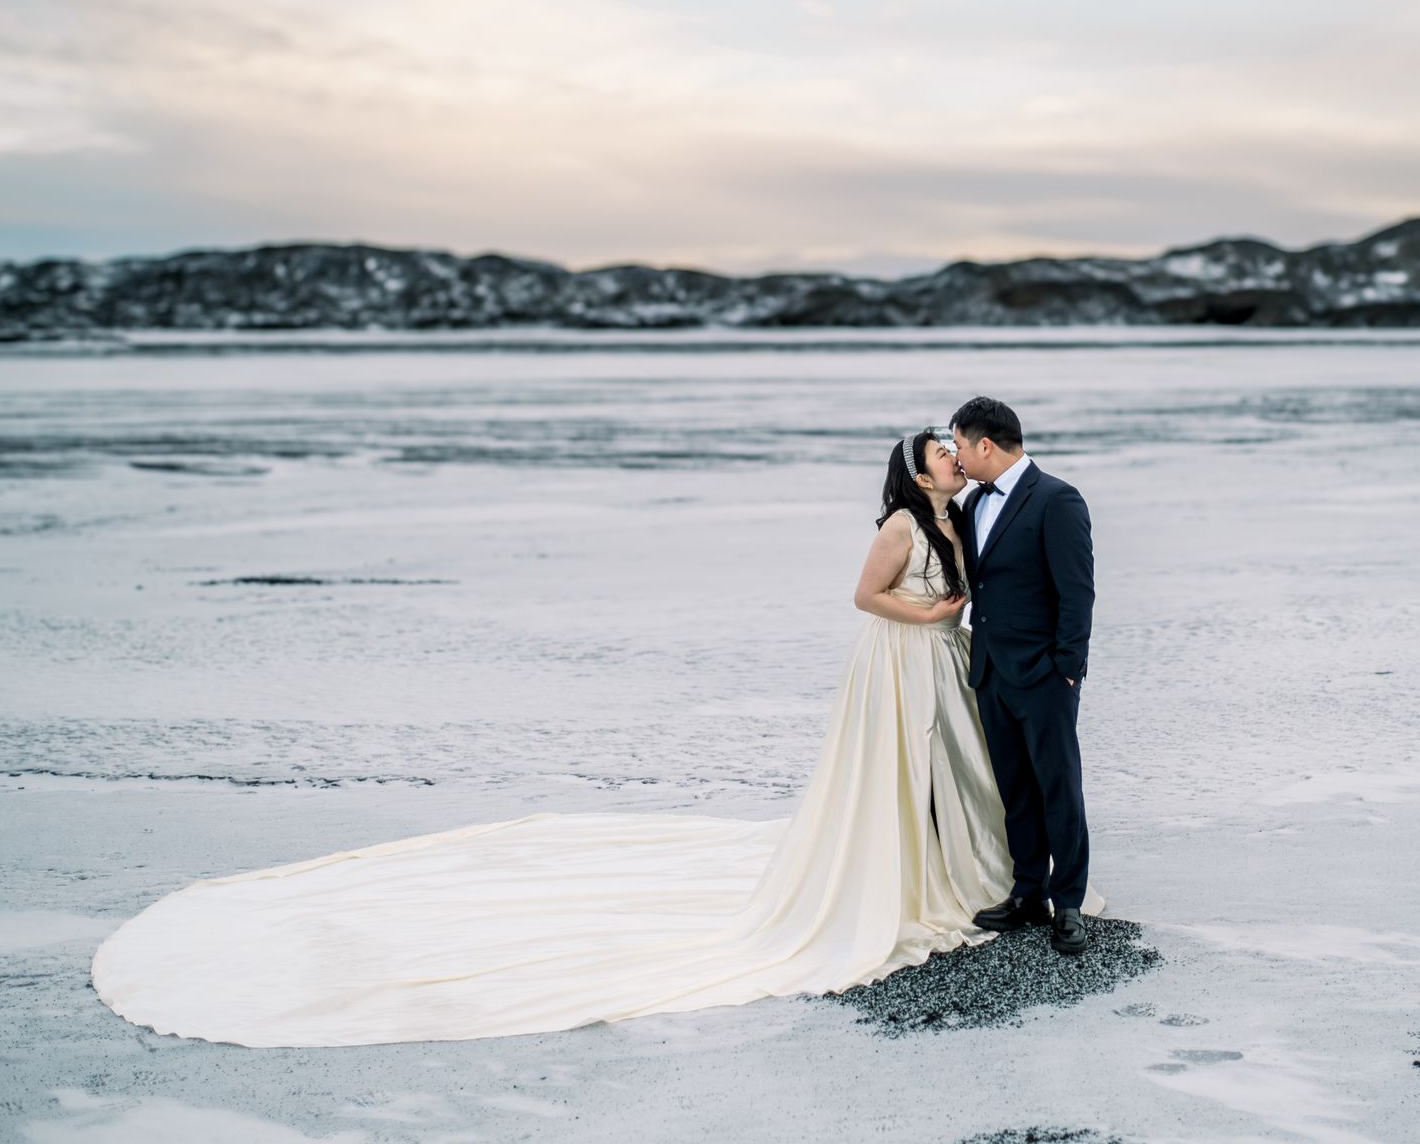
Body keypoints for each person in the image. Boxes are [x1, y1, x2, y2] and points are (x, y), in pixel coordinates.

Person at [89, 428, 1103, 1048]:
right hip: (905, 663)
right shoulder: (900, 522)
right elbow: (867, 595)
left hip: (964, 671)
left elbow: (1012, 572)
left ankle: (1008, 878)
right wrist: (932, 620)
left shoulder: (964, 513)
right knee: (905, 770)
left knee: (970, 773)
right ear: (920, 464)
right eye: (939, 453)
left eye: (953, 451)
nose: (949, 461)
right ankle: (938, 877)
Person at [948, 396, 1095, 956]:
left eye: (960, 445)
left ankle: (1070, 902)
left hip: (1045, 676)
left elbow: (1077, 592)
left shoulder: (1057, 499)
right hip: (989, 671)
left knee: (1059, 787)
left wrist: (1066, 670)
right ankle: (1027, 892)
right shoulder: (969, 506)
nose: (957, 457)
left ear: (986, 444)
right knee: (1015, 788)